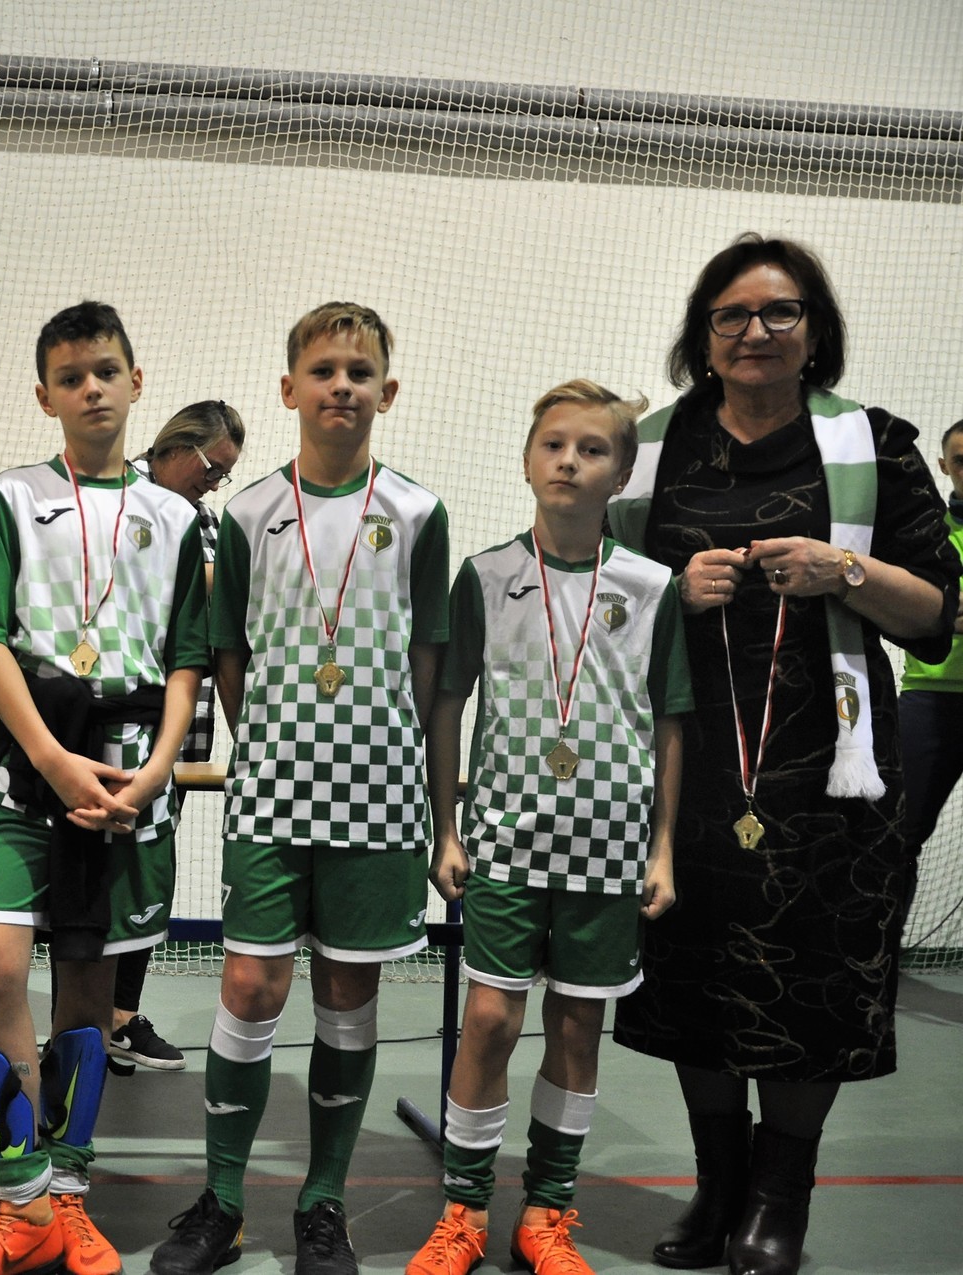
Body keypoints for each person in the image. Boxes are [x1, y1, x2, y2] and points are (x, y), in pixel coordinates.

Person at [606, 235, 957, 1275]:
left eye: (780, 312)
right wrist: (674, 591)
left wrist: (845, 567)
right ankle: (717, 1187)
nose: (755, 331)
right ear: (703, 334)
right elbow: (600, 597)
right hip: (690, 756)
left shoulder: (873, 444)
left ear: (815, 329)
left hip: (832, 765)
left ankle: (779, 1196)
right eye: (732, 314)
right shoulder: (651, 447)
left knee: (817, 971)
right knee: (692, 967)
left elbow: (936, 614)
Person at [152, 302, 449, 1275]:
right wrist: (277, 742)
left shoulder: (418, 514)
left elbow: (429, 664)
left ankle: (323, 1204)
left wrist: (406, 770)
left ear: (386, 392)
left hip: (382, 796)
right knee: (249, 987)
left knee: (348, 997)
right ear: (289, 389)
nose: (341, 387)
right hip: (273, 790)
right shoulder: (247, 514)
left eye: (360, 372)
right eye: (323, 370)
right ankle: (224, 1202)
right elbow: (228, 654)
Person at [0, 300, 208, 1275]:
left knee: (89, 992)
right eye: (71, 376)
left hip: (129, 779)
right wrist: (49, 756)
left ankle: (70, 1194)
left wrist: (157, 769)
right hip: (33, 769)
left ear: (137, 382)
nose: (92, 388)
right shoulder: (14, 496)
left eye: (106, 371)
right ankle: (19, 1201)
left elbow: (188, 659)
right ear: (45, 395)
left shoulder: (178, 518)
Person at [408, 381, 690, 1275]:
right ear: (529, 459)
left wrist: (662, 845)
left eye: (592, 449)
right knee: (489, 1020)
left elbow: (669, 720)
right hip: (505, 839)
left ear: (622, 473)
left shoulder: (651, 585)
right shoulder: (486, 577)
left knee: (575, 1031)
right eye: (554, 444)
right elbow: (447, 703)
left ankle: (548, 1211)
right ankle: (462, 1210)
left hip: (611, 846)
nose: (570, 460)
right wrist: (445, 828)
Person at [114, 400, 245, 1071]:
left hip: (186, 724)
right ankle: (77, 1021)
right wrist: (227, 582)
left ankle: (120, 1015)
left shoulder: (207, 519)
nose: (214, 483)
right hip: (119, 719)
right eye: (211, 468)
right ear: (176, 446)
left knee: (152, 868)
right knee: (103, 867)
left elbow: (217, 623)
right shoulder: (122, 496)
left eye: (224, 475)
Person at [898, 420, 963, 855]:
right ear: (943, 466)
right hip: (929, 695)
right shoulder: (926, 532)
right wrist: (936, 611)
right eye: (961, 461)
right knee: (898, 834)